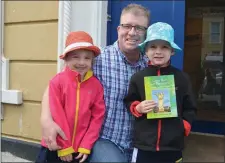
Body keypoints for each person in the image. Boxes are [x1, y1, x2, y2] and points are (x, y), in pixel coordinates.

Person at [40, 3, 150, 162]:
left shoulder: (150, 66)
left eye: (139, 28)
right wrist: (46, 120)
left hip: (140, 141)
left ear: (146, 32)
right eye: (127, 26)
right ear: (118, 29)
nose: (132, 32)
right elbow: (57, 85)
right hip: (104, 139)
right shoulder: (97, 60)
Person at [124, 22, 197, 163]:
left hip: (172, 146)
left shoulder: (182, 78)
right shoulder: (138, 77)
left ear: (172, 51)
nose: (158, 51)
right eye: (153, 47)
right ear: (145, 51)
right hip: (144, 145)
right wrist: (137, 107)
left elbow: (190, 107)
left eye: (164, 47)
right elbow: (130, 100)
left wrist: (184, 126)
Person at [36, 31, 105, 163]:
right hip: (56, 146)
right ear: (66, 59)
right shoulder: (57, 82)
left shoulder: (96, 86)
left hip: (80, 150)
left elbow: (97, 118)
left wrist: (86, 145)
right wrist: (64, 147)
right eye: (75, 57)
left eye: (87, 58)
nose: (81, 62)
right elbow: (57, 114)